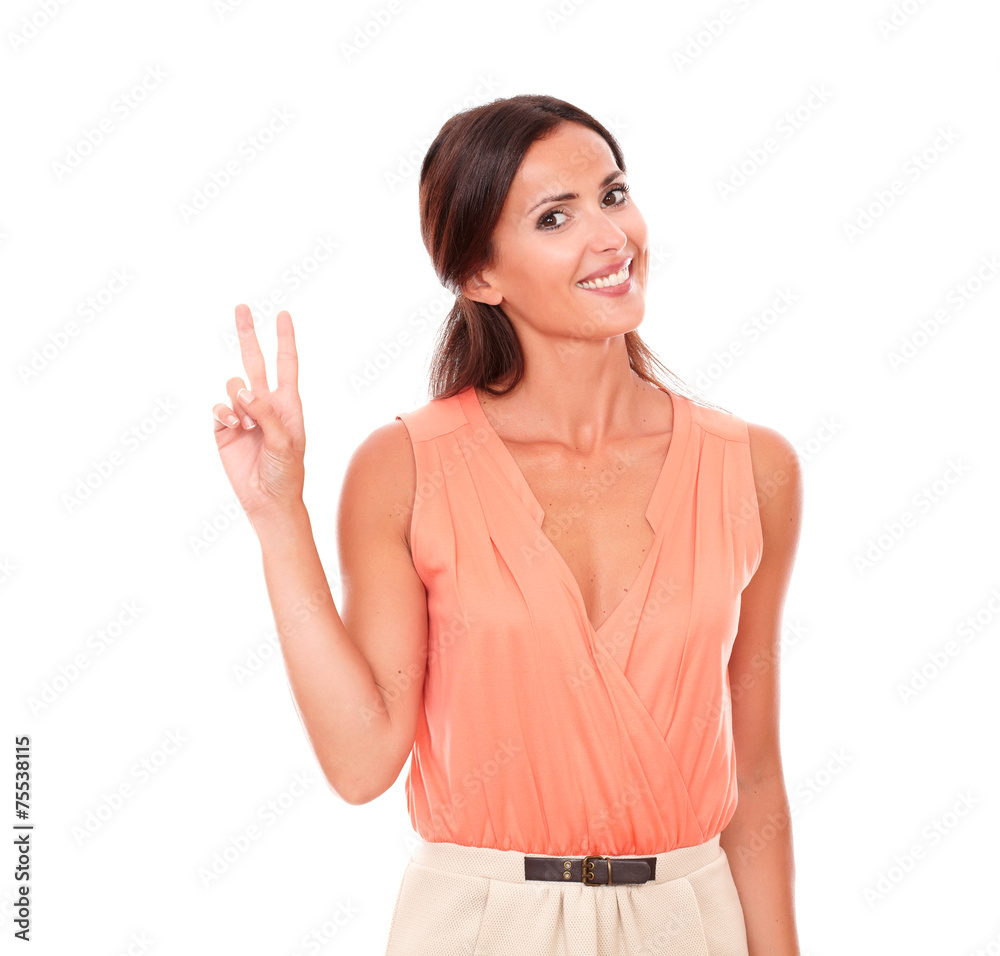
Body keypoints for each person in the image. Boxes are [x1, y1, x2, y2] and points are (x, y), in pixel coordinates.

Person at [212, 94, 803, 956]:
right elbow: (362, 760)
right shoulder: (406, 468)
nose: (611, 236)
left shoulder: (753, 468)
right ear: (480, 277)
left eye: (612, 194)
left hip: (687, 921)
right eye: (555, 217)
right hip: (479, 928)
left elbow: (755, 776)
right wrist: (278, 516)